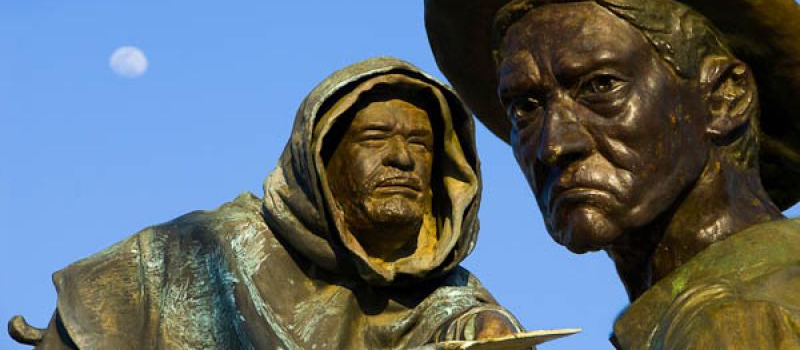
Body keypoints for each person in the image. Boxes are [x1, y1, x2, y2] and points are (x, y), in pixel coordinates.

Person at [424, 0, 800, 348]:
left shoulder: (737, 320)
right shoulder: (691, 315)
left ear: (723, 97)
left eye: (600, 86)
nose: (556, 144)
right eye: (525, 107)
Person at [9, 57, 521, 349]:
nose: (402, 160)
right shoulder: (194, 255)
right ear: (320, 159)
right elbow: (98, 313)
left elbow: (471, 322)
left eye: (421, 144)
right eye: (375, 138)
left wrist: (490, 333)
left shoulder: (450, 294)